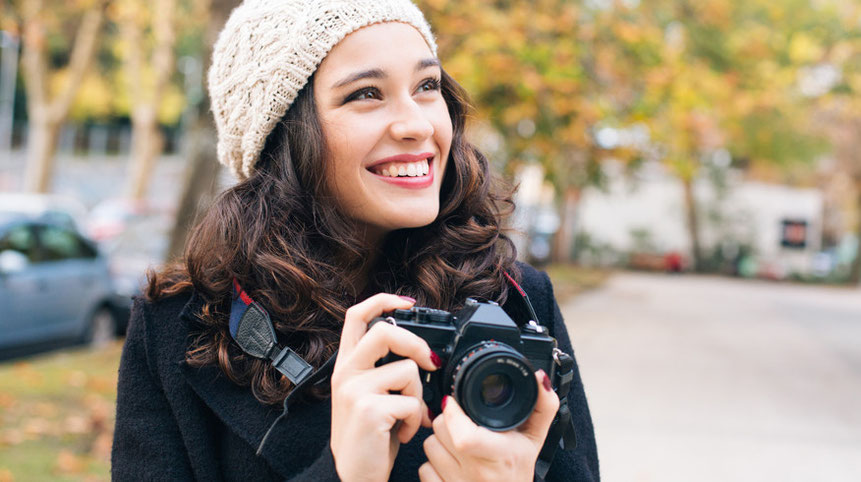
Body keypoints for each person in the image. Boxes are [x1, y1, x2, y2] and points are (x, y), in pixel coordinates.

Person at [111, 1, 599, 480]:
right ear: (282, 140)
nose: (418, 125)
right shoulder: (178, 330)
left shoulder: (518, 300)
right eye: (366, 93)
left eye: (427, 86)